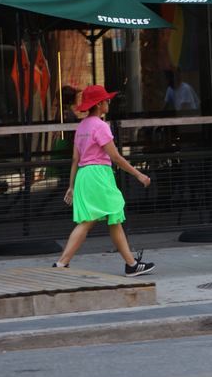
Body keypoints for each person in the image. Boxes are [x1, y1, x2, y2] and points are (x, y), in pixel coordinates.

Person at [53, 85, 155, 276]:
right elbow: (116, 157)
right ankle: (130, 265)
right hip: (99, 175)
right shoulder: (100, 126)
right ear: (99, 104)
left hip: (84, 175)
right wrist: (139, 174)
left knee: (98, 219)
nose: (109, 102)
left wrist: (71, 186)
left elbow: (75, 159)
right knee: (109, 216)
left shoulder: (81, 126)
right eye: (107, 100)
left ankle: (62, 264)